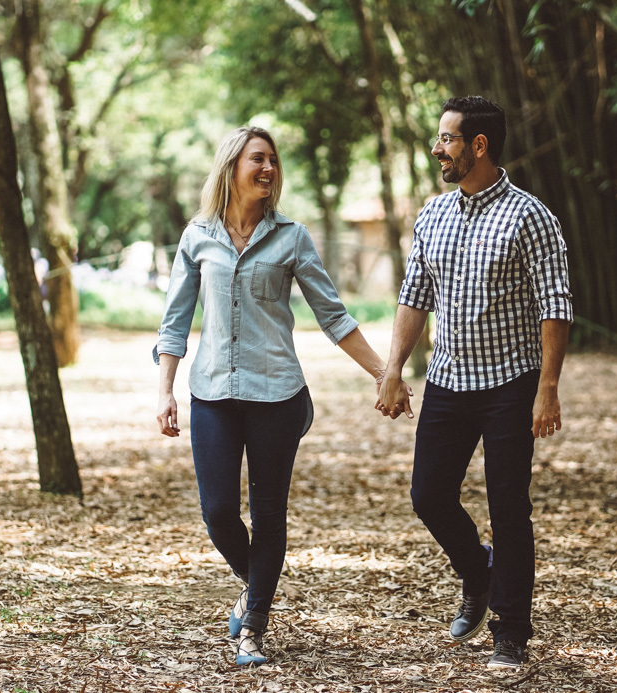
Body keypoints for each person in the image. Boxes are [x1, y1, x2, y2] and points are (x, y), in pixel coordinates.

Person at [155, 126, 401, 667]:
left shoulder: (291, 237)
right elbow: (174, 321)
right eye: (257, 159)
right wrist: (165, 390)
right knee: (218, 512)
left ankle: (253, 628)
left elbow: (332, 315)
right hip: (214, 393)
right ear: (232, 167)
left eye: (272, 160)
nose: (267, 169)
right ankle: (256, 583)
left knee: (269, 516)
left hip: (277, 396)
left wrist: (384, 373)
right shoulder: (198, 236)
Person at [375, 96, 573, 670]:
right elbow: (415, 297)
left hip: (511, 383)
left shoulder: (529, 216)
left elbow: (555, 304)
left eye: (447, 139)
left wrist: (548, 387)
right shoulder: (432, 215)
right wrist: (393, 370)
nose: (437, 148)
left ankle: (510, 631)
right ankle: (480, 575)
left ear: (478, 145)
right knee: (428, 495)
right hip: (448, 381)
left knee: (509, 508)